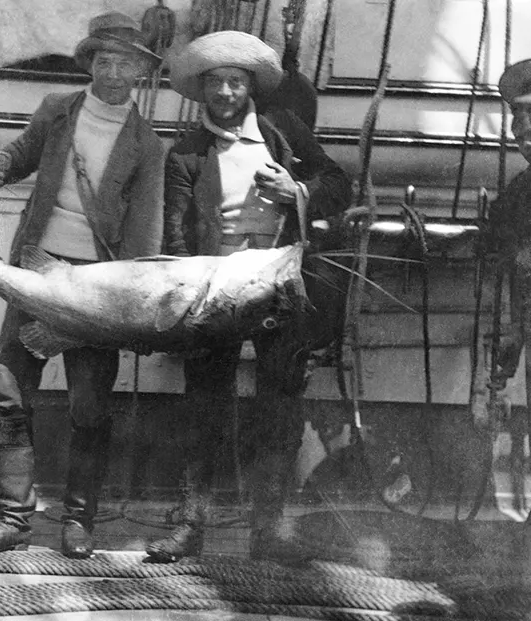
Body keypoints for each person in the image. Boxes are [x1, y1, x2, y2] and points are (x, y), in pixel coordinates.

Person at [0, 12, 164, 559]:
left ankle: (78, 521)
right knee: (8, 392)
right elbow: (23, 152)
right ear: (90, 63)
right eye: (104, 61)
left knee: (89, 409)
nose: (113, 73)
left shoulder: (147, 144)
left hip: (96, 289)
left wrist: (129, 305)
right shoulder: (57, 110)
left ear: (141, 72)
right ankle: (12, 520)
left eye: (125, 64)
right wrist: (3, 161)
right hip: (36, 271)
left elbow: (145, 234)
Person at [145, 30, 351, 562]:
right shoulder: (186, 153)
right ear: (202, 89)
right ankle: (191, 526)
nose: (226, 93)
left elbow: (338, 182)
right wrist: (189, 297)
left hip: (280, 287)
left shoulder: (285, 132)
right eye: (216, 83)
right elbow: (176, 237)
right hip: (215, 290)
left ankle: (268, 530)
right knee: (205, 406)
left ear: (251, 87)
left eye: (236, 82)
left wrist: (297, 191)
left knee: (279, 407)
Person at [486, 58, 531, 550]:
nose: (522, 130)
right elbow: (508, 253)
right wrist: (514, 332)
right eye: (517, 119)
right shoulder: (523, 189)